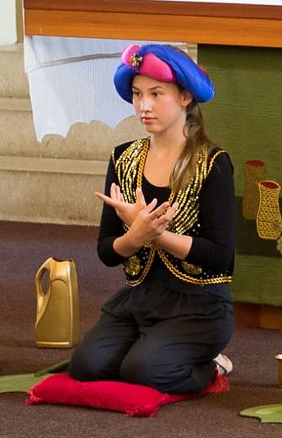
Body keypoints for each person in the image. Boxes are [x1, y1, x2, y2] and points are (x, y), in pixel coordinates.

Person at [69, 43, 235, 395]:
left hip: (198, 303)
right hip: (140, 297)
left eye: (156, 94)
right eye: (137, 94)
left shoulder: (212, 163)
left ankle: (209, 365)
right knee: (86, 366)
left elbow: (220, 256)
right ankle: (152, 347)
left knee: (144, 372)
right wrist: (135, 235)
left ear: (186, 97)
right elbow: (107, 251)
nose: (143, 105)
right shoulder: (123, 158)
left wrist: (154, 234)